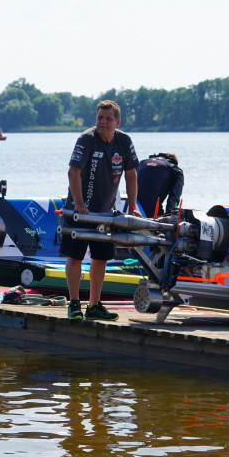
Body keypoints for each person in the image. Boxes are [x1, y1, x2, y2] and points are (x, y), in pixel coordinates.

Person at [61, 100, 140, 322]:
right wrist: (79, 204)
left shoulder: (124, 141)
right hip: (80, 210)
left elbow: (131, 174)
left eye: (108, 119)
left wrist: (132, 206)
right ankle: (74, 303)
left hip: (105, 213)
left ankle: (94, 305)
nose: (103, 123)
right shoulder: (86, 139)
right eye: (99, 118)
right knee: (75, 256)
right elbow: (73, 173)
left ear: (117, 122)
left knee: (101, 258)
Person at [136, 152, 184, 218]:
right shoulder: (175, 170)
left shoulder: (141, 163)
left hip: (133, 207)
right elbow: (174, 197)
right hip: (151, 212)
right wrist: (170, 216)